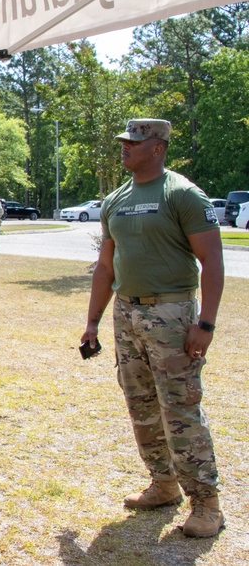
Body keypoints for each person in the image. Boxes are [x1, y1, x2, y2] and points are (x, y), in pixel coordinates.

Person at [81, 118, 225, 538]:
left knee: (180, 407)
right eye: (124, 141)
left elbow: (212, 262)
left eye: (134, 143)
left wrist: (206, 323)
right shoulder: (116, 200)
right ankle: (163, 484)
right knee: (141, 403)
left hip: (173, 314)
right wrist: (92, 321)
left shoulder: (182, 194)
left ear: (157, 147)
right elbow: (106, 266)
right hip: (127, 313)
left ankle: (206, 503)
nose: (125, 148)